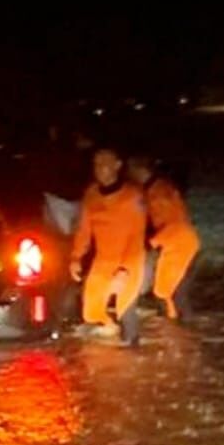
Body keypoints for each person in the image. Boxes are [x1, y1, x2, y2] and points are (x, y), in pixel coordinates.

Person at [69, 147, 147, 345]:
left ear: (117, 166)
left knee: (125, 307)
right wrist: (76, 257)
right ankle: (107, 343)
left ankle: (132, 345)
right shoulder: (91, 195)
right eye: (96, 164)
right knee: (91, 309)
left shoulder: (132, 195)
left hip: (130, 258)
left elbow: (137, 235)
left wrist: (125, 270)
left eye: (105, 163)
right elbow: (84, 230)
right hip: (104, 259)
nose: (100, 168)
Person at [126, 156, 200, 322]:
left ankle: (179, 327)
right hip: (182, 242)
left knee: (167, 292)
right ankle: (182, 326)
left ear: (140, 170)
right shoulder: (159, 188)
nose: (128, 174)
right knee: (174, 291)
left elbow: (173, 225)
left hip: (179, 245)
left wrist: (151, 242)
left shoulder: (158, 194)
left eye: (130, 170)